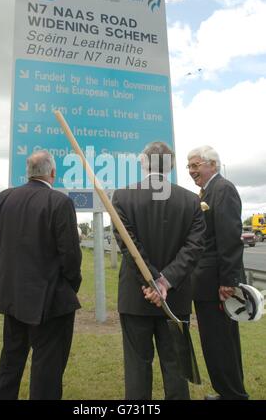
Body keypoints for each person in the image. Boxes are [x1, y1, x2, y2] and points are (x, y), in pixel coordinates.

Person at [0, 150, 82, 400]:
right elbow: (70, 255)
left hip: (12, 296)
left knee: (11, 359)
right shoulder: (59, 202)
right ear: (52, 173)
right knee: (46, 366)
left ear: (28, 173)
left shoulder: (5, 198)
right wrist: (71, 285)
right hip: (49, 301)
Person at [112, 141, 205, 400]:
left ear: (144, 163)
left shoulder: (122, 197)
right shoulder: (190, 201)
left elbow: (130, 248)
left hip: (136, 296)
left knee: (137, 368)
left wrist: (155, 281)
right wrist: (165, 282)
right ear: (172, 166)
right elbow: (194, 248)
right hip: (174, 297)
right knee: (176, 370)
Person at [187, 145, 248, 400]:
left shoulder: (223, 189)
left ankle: (233, 395)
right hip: (207, 284)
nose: (191, 171)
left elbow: (230, 238)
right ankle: (226, 392)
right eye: (189, 166)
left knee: (221, 343)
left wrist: (228, 281)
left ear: (213, 164)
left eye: (196, 165)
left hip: (218, 286)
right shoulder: (207, 191)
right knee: (214, 343)